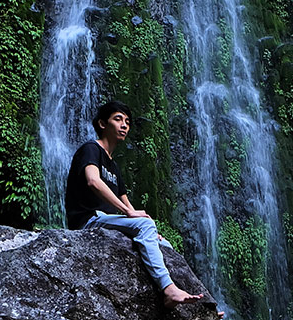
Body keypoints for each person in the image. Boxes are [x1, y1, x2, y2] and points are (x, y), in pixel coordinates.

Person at [65, 101, 203, 308]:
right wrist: (129, 213)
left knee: (164, 244)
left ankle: (199, 307)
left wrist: (146, 227)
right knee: (146, 226)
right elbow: (93, 180)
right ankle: (169, 289)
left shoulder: (113, 166)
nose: (124, 126)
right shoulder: (91, 149)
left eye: (127, 122)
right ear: (102, 123)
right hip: (89, 220)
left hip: (107, 221)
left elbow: (128, 206)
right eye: (118, 119)